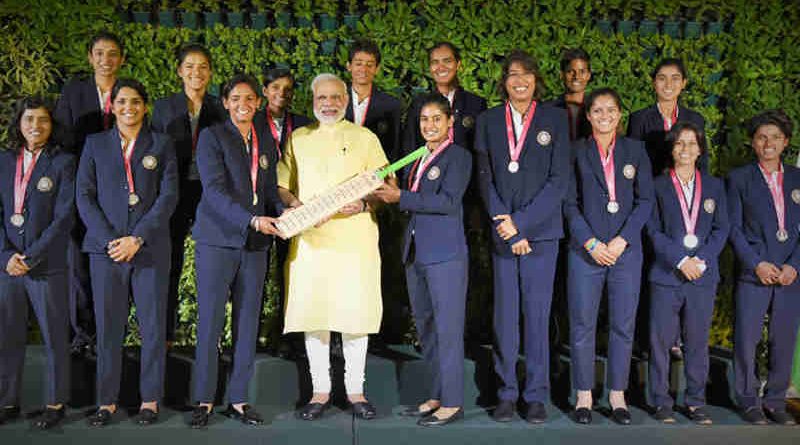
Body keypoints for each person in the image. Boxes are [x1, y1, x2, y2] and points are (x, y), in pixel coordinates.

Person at [277, 73, 388, 421]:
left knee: (356, 316)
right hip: (311, 241)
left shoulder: (366, 137)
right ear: (312, 101)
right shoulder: (298, 138)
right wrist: (297, 207)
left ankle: (356, 391)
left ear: (346, 99)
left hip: (356, 240)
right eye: (322, 97)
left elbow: (386, 185)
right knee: (315, 316)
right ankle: (319, 391)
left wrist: (367, 204)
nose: (329, 103)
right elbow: (282, 185)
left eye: (336, 97)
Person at [474, 50, 570, 424]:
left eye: (526, 74)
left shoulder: (555, 119)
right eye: (513, 74)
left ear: (536, 80)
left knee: (537, 316)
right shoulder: (487, 120)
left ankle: (535, 395)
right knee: (505, 319)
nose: (520, 80)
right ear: (504, 80)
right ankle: (506, 394)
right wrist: (507, 225)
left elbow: (558, 181)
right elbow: (485, 178)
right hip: (502, 234)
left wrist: (523, 226)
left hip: (541, 237)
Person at [76, 79, 178, 427]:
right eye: (122, 102)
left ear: (145, 106)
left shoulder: (161, 145)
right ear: (113, 106)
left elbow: (168, 197)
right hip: (106, 252)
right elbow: (84, 196)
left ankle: (150, 400)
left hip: (148, 250)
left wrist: (137, 238)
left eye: (135, 102)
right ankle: (107, 402)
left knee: (152, 327)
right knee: (108, 328)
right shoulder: (95, 144)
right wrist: (110, 241)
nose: (128, 108)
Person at [189, 74, 283, 428]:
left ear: (258, 102)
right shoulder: (212, 138)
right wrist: (252, 219)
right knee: (211, 321)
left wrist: (285, 211)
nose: (243, 104)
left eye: (249, 98)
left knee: (247, 322)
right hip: (218, 241)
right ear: (226, 103)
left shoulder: (266, 142)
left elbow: (270, 190)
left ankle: (240, 399)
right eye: (235, 98)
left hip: (256, 245)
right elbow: (213, 192)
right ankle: (204, 400)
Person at [373, 93, 471, 426]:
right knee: (427, 330)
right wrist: (395, 189)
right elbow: (414, 200)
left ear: (450, 122)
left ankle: (454, 402)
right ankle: (436, 394)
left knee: (448, 329)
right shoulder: (418, 158)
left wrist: (401, 195)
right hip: (416, 254)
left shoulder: (458, 157)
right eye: (424, 120)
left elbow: (446, 201)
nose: (430, 125)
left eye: (436, 119)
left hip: (445, 256)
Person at [564, 87, 654, 425]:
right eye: (597, 111)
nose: (604, 116)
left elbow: (645, 201)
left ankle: (617, 393)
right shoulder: (576, 152)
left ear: (619, 114)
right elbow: (568, 203)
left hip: (625, 254)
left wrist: (622, 241)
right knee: (584, 324)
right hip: (585, 252)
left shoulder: (636, 151)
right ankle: (584, 394)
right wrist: (590, 242)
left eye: (610, 110)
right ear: (588, 116)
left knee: (623, 324)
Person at [645, 122, 729, 424]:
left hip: (702, 277)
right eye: (680, 143)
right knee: (660, 341)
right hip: (667, 275)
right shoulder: (656, 185)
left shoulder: (716, 187)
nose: (685, 149)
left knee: (696, 341)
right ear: (671, 148)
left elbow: (722, 229)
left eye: (692, 144)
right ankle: (661, 401)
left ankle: (695, 401)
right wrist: (681, 260)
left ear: (700, 149)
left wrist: (701, 261)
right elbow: (652, 229)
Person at [0, 97, 75, 429]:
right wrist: (5, 257)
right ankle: (8, 401)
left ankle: (55, 402)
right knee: (7, 335)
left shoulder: (63, 162)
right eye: (29, 119)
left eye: (43, 120)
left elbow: (64, 217)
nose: (35, 126)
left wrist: (32, 256)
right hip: (8, 267)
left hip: (46, 265)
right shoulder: (3, 161)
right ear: (19, 123)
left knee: (54, 335)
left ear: (51, 124)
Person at [727, 109, 800, 426]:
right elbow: (732, 227)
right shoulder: (739, 178)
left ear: (785, 142)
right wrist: (756, 263)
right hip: (754, 272)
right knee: (747, 338)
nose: (768, 143)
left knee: (783, 339)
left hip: (789, 275)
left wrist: (794, 266)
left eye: (774, 138)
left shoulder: (799, 179)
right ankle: (748, 399)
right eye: (761, 137)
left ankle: (775, 400)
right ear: (753, 143)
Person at [55, 31, 125, 354]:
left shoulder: (127, 92)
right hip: (82, 189)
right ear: (90, 57)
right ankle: (82, 335)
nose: (105, 60)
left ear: (121, 59)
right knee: (79, 264)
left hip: (117, 192)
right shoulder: (74, 93)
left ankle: (110, 336)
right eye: (99, 53)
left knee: (111, 264)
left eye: (112, 54)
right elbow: (62, 140)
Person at [151, 44, 226, 346]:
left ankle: (214, 336)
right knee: (169, 262)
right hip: (175, 192)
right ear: (180, 70)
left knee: (215, 264)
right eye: (190, 66)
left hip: (210, 194)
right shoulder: (164, 107)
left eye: (203, 66)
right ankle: (165, 335)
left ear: (210, 71)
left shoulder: (220, 108)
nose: (197, 72)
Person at [253, 66, 311, 357]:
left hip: (290, 206)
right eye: (275, 88)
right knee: (257, 274)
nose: (281, 94)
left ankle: (290, 337)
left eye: (287, 89)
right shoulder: (250, 121)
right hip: (258, 207)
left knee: (290, 273)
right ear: (264, 91)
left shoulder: (303, 124)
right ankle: (253, 336)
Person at [403, 42, 487, 156]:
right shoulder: (418, 104)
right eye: (435, 62)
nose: (441, 67)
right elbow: (410, 149)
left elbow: (482, 151)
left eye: (447, 61)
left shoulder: (476, 103)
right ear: (430, 68)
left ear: (458, 64)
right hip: (427, 171)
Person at [628, 58, 706, 176]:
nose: (668, 84)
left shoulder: (695, 119)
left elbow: (702, 163)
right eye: (662, 78)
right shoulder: (639, 119)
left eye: (675, 78)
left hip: (687, 191)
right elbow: (632, 162)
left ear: (684, 83)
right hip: (649, 190)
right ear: (654, 82)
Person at [344, 39, 402, 162]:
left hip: (375, 174)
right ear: (349, 66)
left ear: (377, 69)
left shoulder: (391, 105)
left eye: (369, 65)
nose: (363, 70)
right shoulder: (335, 102)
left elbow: (394, 149)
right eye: (358, 64)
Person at [545, 48, 592, 141]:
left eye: (582, 72)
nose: (576, 77)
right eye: (571, 71)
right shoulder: (548, 110)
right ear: (562, 75)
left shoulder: (598, 110)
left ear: (588, 75)